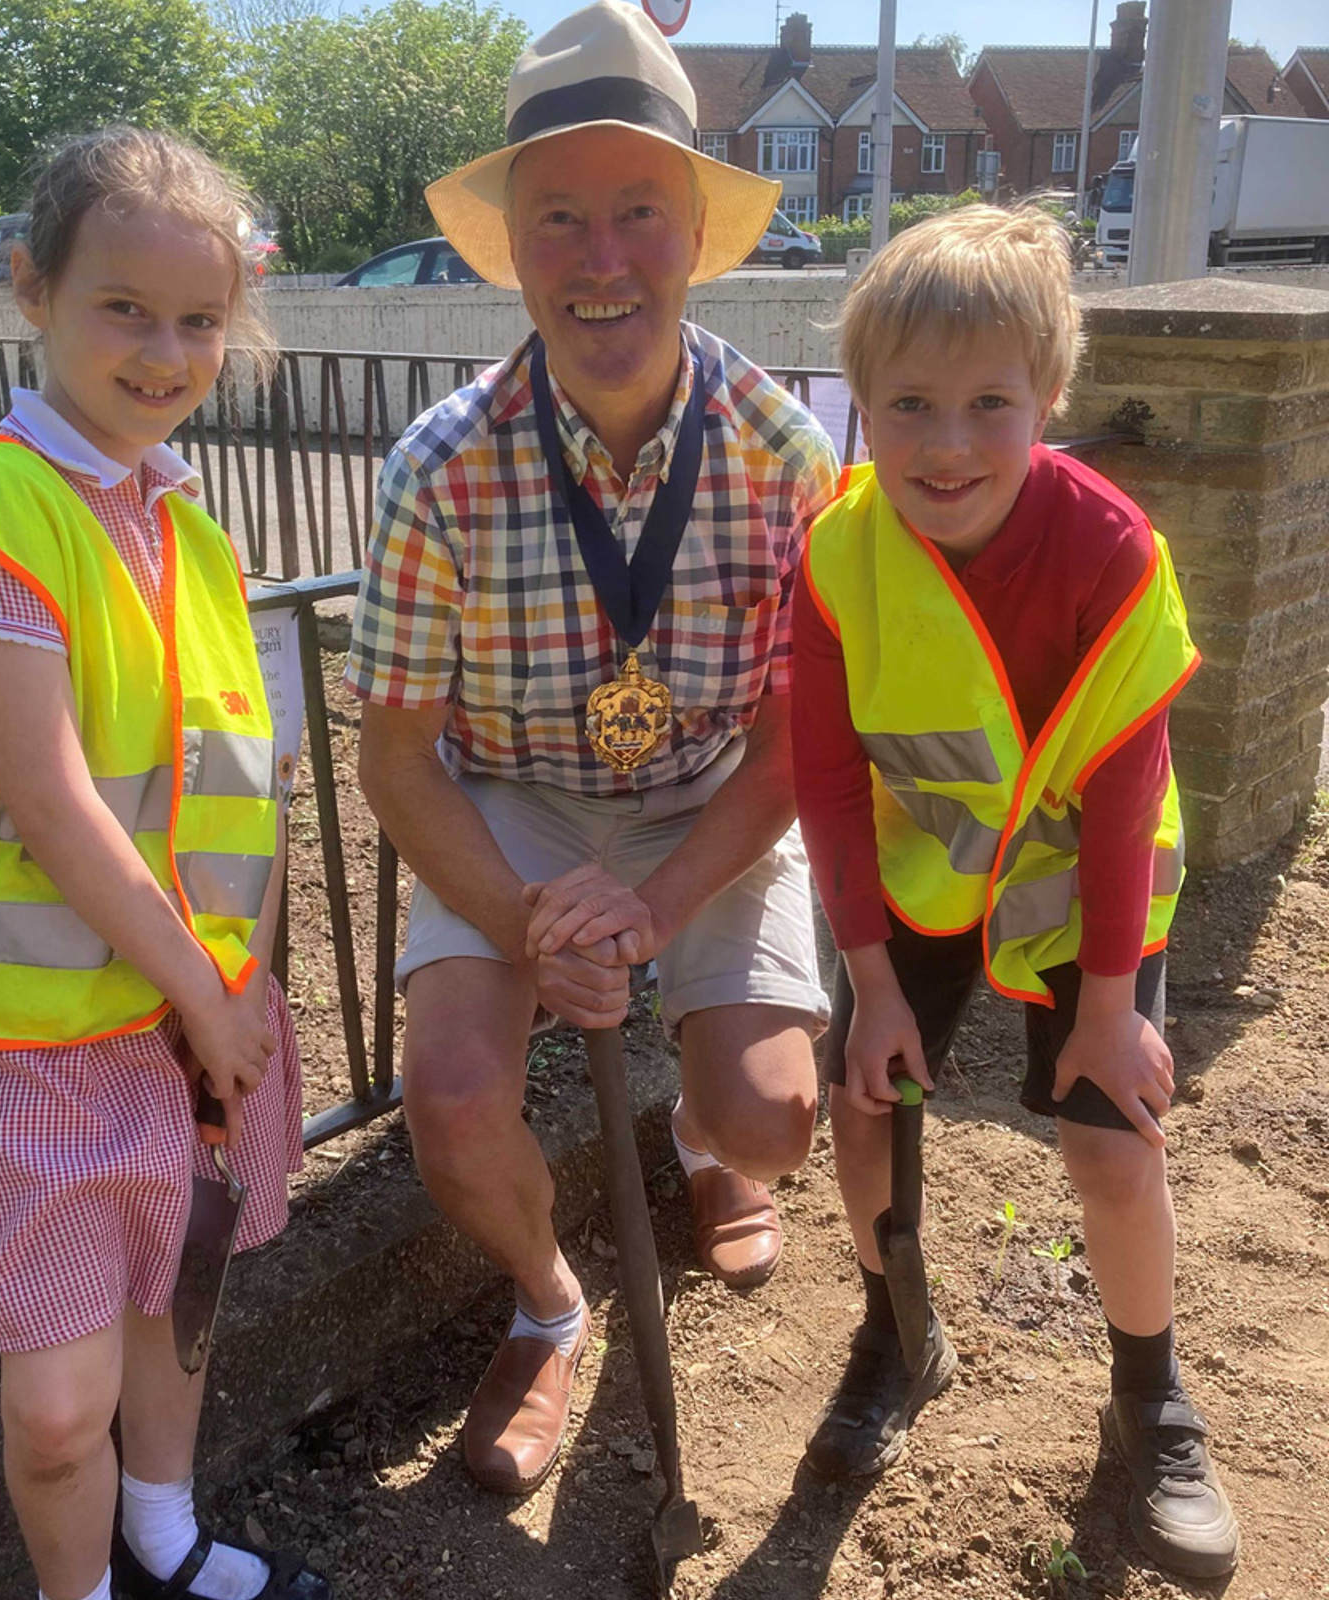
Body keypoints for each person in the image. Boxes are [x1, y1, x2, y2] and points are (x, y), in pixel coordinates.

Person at [347, 0, 837, 1498]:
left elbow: (790, 735)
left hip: (708, 800)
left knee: (778, 1111)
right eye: (559, 217)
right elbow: (399, 758)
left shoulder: (786, 455)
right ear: (515, 246)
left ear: (696, 230)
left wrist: (661, 908)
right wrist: (528, 923)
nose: (603, 256)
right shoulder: (440, 466)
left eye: (639, 211)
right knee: (448, 1097)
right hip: (512, 804)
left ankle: (704, 1134)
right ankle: (546, 1304)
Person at [0, 127, 330, 1600]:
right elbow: (56, 802)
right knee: (60, 1405)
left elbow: (233, 784)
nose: (165, 349)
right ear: (33, 290)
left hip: (194, 1015)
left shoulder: (184, 526)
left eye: (198, 320)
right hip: (53, 1047)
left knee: (179, 1291)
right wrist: (210, 994)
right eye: (122, 308)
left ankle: (167, 1538)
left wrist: (235, 992)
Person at [790, 205, 1239, 1579]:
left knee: (1110, 1141)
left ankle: (1152, 1400)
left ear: (1051, 397)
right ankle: (895, 1332)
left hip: (1083, 886)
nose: (944, 443)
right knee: (866, 1104)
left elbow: (1117, 785)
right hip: (922, 870)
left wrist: (1112, 1010)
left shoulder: (1113, 551)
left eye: (990, 403)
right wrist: (869, 988)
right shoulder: (838, 552)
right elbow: (826, 777)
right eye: (907, 404)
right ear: (856, 404)